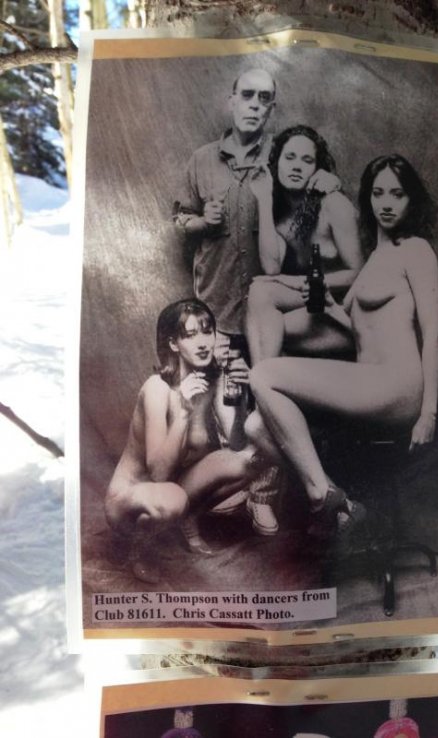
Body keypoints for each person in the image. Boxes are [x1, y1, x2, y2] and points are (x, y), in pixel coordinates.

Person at [173, 69, 340, 536]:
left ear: (271, 108)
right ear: (231, 101)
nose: (254, 104)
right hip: (217, 305)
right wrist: (200, 221)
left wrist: (328, 182)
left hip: (272, 314)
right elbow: (179, 218)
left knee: (269, 409)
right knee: (229, 408)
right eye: (246, 95)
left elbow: (314, 198)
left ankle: (263, 497)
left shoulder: (283, 157)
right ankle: (237, 487)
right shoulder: (202, 160)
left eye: (264, 98)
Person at [249, 154, 438, 535]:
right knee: (257, 425)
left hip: (396, 385)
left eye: (398, 194)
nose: (386, 203)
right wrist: (324, 305)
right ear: (368, 198)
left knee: (263, 375)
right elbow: (359, 330)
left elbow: (434, 332)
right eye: (378, 193)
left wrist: (429, 413)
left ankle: (321, 495)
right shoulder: (376, 258)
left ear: (412, 200)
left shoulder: (416, 250)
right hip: (366, 383)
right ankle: (344, 506)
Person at [104, 298, 270, 584]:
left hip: (174, 491)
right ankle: (139, 547)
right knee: (173, 498)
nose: (203, 343)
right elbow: (159, 474)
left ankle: (188, 518)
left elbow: (236, 445)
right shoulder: (157, 389)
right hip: (130, 500)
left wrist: (242, 393)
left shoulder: (211, 382)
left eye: (207, 332)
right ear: (173, 344)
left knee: (252, 459)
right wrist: (183, 410)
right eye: (190, 335)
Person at [246, 125, 364, 364]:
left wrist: (297, 281)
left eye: (307, 160)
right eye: (289, 157)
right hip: (309, 310)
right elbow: (271, 268)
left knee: (265, 327)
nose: (297, 166)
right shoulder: (279, 211)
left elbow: (359, 274)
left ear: (317, 169)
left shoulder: (333, 205)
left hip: (343, 314)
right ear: (276, 163)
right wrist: (264, 198)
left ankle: (262, 379)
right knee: (260, 303)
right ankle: (264, 379)